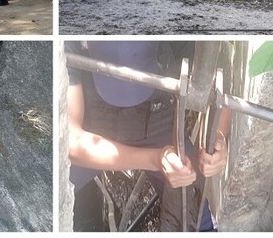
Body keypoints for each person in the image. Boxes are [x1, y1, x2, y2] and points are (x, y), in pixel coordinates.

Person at [66, 41, 230, 232]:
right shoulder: (70, 41)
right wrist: (154, 159)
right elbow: (72, 140)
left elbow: (217, 94)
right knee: (54, 191)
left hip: (159, 127)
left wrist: (216, 138)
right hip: (93, 132)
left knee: (195, 219)